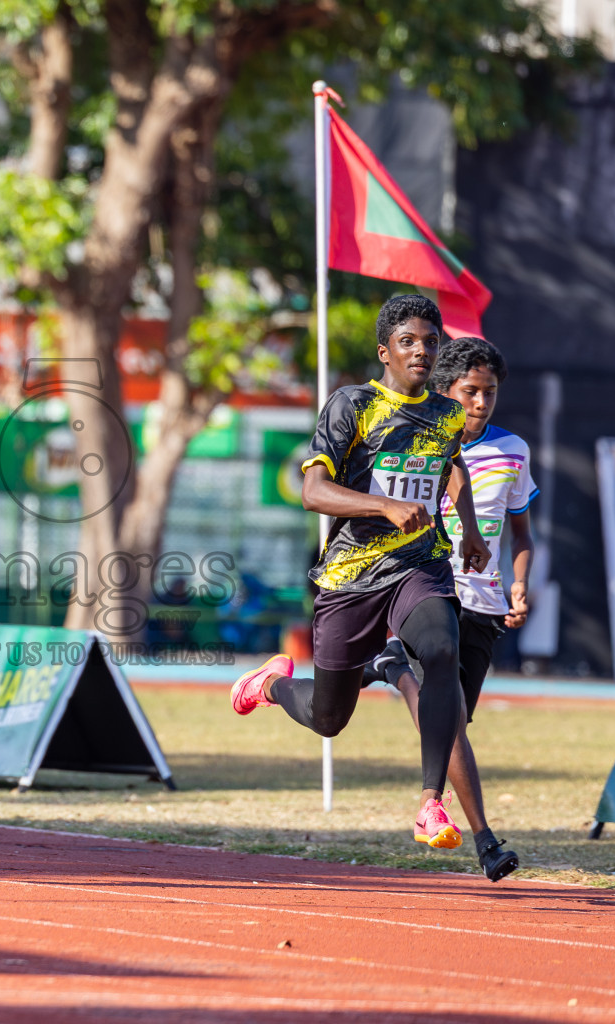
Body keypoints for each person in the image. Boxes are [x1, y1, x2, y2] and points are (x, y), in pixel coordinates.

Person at [231, 294, 490, 850]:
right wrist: (383, 506)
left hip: (419, 563)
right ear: (385, 352)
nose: (421, 351)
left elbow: (453, 465)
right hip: (351, 574)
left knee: (442, 648)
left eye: (430, 341)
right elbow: (312, 491)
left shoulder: (447, 414)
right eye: (408, 342)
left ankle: (429, 804)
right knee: (329, 718)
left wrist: (468, 529)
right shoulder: (352, 405)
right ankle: (271, 685)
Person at [362, 337, 531, 881]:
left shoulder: (514, 451)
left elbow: (521, 531)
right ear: (444, 391)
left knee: (453, 722)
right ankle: (485, 840)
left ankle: (392, 670)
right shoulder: (415, 441)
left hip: (484, 603)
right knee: (451, 719)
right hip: (427, 587)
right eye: (470, 392)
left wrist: (519, 586)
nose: (480, 403)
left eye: (490, 393)